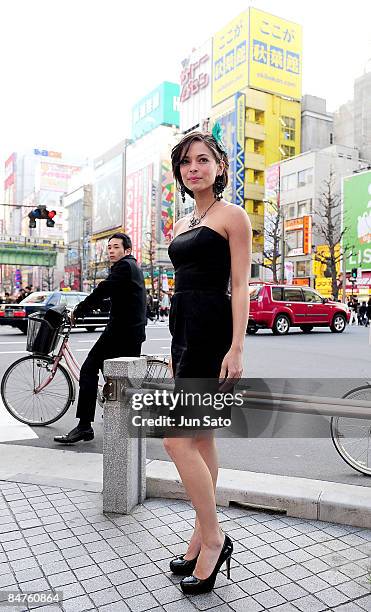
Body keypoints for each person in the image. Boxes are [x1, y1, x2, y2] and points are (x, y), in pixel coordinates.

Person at [163, 130, 252, 595]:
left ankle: (215, 539)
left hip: (214, 332)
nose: (193, 168)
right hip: (184, 330)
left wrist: (236, 346)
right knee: (199, 438)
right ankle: (201, 537)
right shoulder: (181, 224)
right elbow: (182, 287)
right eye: (185, 163)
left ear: (219, 166)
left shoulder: (232, 216)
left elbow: (240, 286)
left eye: (203, 160)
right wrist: (173, 347)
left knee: (175, 440)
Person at [54, 233, 146, 444]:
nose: (111, 250)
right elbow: (117, 296)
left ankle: (84, 426)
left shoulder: (124, 267)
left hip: (121, 332)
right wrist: (95, 307)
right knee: (117, 378)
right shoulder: (132, 268)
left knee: (88, 370)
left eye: (116, 247)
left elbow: (103, 289)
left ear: (127, 250)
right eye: (109, 247)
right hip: (131, 331)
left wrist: (79, 310)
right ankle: (123, 418)